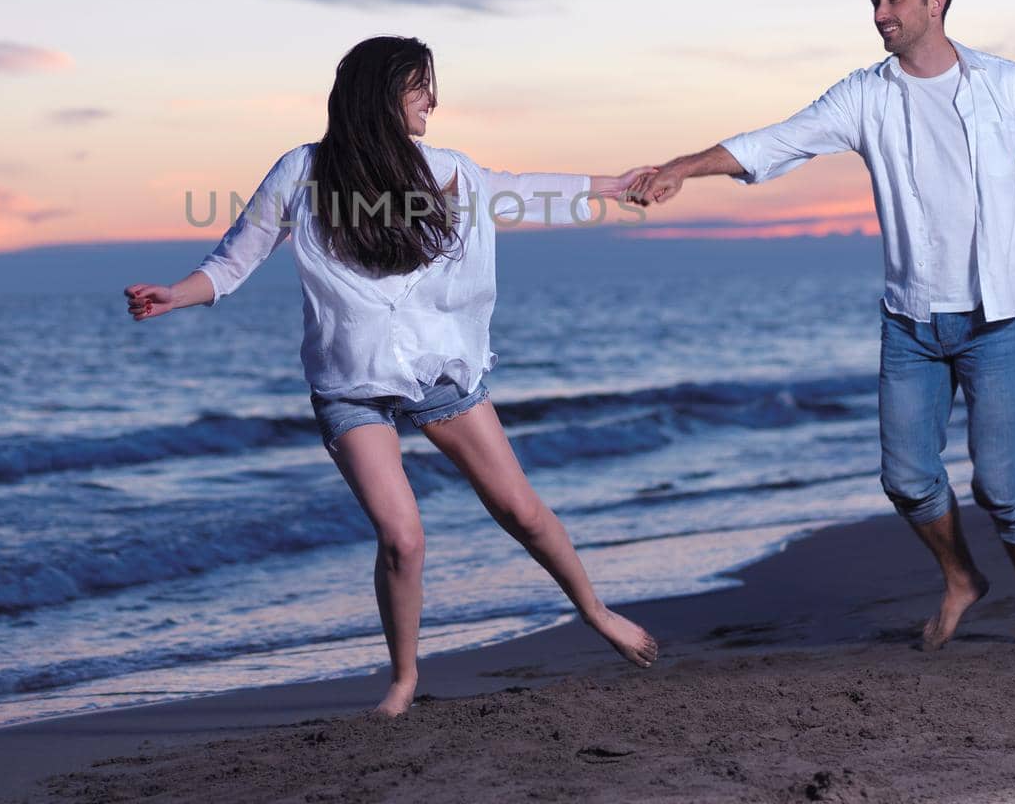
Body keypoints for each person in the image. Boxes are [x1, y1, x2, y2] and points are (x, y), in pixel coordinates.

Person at [125, 35, 659, 716]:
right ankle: (403, 681)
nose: (431, 99)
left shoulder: (451, 172)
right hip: (351, 384)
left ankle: (596, 612)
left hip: (441, 372)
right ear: (381, 94)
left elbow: (522, 191)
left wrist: (614, 186)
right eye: (418, 86)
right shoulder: (304, 171)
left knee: (520, 510)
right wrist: (176, 293)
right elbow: (234, 260)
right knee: (403, 537)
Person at [631, 0, 1015, 650]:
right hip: (910, 321)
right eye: (875, 1)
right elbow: (778, 141)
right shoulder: (865, 95)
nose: (880, 15)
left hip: (995, 317)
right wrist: (685, 167)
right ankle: (962, 577)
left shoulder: (1006, 84)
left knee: (1001, 483)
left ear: (936, 3)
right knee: (906, 479)